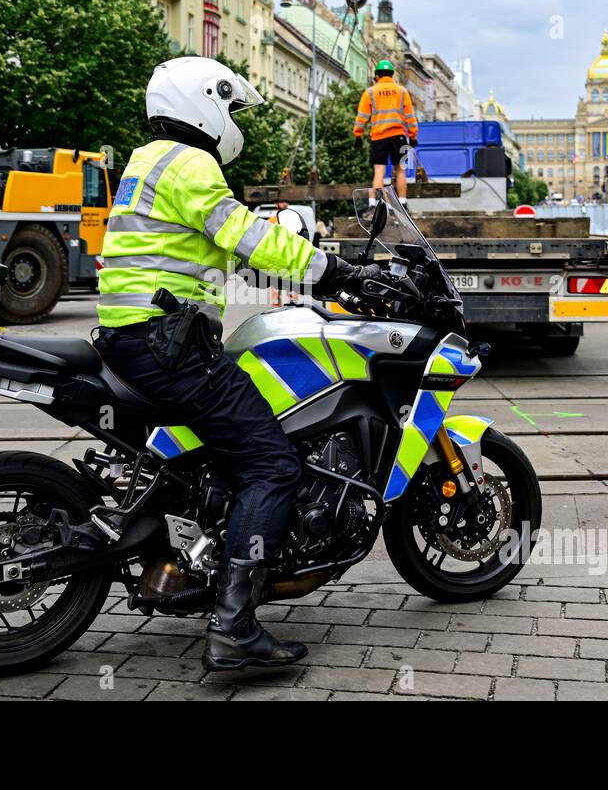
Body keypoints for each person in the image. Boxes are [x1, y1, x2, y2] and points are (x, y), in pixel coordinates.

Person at [94, 56, 377, 671]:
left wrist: (274, 266)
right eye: (230, 105)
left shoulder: (148, 161)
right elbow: (246, 235)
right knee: (272, 464)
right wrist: (337, 270)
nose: (233, 120)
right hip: (168, 346)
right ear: (206, 101)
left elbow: (216, 248)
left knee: (235, 446)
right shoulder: (193, 163)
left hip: (135, 337)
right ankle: (234, 628)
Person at [354, 60, 418, 203]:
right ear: (392, 75)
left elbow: (362, 117)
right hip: (398, 137)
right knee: (400, 170)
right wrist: (413, 136)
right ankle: (402, 202)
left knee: (379, 171)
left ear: (377, 76)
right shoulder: (402, 91)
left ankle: (376, 203)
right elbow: (410, 117)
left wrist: (358, 135)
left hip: (379, 138)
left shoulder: (370, 92)